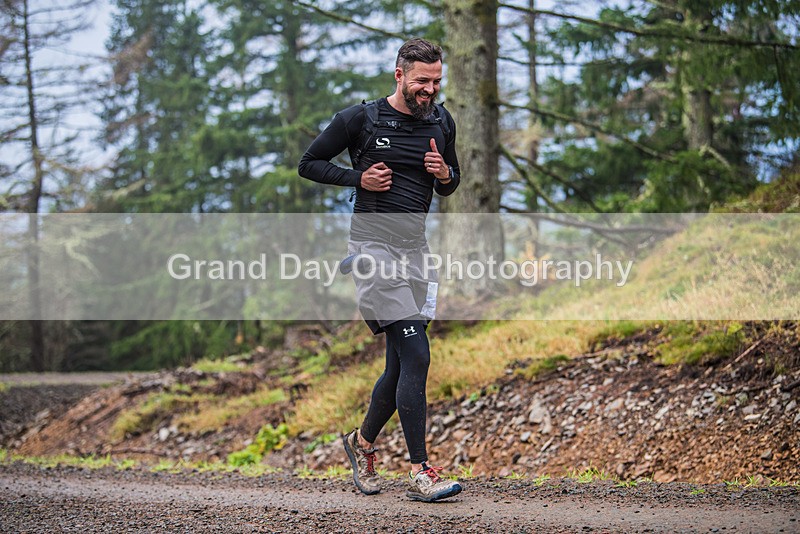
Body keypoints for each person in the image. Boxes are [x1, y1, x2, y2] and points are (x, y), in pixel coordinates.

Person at [298, 38, 462, 502]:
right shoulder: (361, 119)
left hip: (416, 253)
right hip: (372, 249)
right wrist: (358, 178)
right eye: (421, 81)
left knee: (399, 363)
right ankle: (421, 471)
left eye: (436, 81)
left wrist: (445, 175)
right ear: (399, 75)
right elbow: (308, 164)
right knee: (418, 354)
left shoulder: (442, 121)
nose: (429, 90)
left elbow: (452, 181)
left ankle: (362, 443)